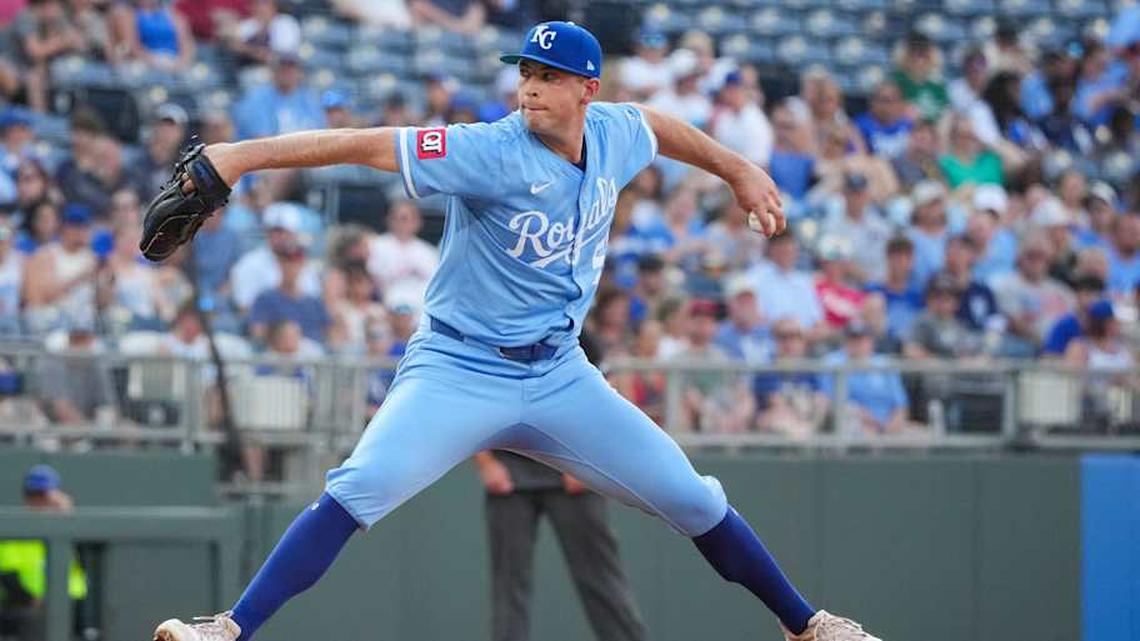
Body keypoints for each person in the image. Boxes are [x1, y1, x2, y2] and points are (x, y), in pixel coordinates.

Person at [152, 22, 880, 641]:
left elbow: (656, 125)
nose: (529, 87)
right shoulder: (490, 149)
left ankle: (804, 623)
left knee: (691, 495)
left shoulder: (615, 133)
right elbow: (365, 144)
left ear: (585, 90)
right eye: (525, 73)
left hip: (560, 373)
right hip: (459, 368)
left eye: (548, 76)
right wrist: (239, 156)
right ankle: (228, 628)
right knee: (360, 485)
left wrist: (736, 166)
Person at [474, 334, 647, 641]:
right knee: (508, 586)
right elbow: (473, 399)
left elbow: (610, 402)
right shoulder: (497, 332)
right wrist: (485, 462)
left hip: (573, 473)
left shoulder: (582, 337)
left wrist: (589, 461)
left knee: (602, 581)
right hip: (511, 477)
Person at [0, 465, 89, 641]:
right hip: (26, 608)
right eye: (33, 495)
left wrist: (69, 516)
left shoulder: (70, 526)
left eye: (44, 495)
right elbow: (7, 575)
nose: (39, 502)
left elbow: (88, 563)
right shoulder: (17, 531)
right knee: (35, 621)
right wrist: (31, 599)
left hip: (71, 607)